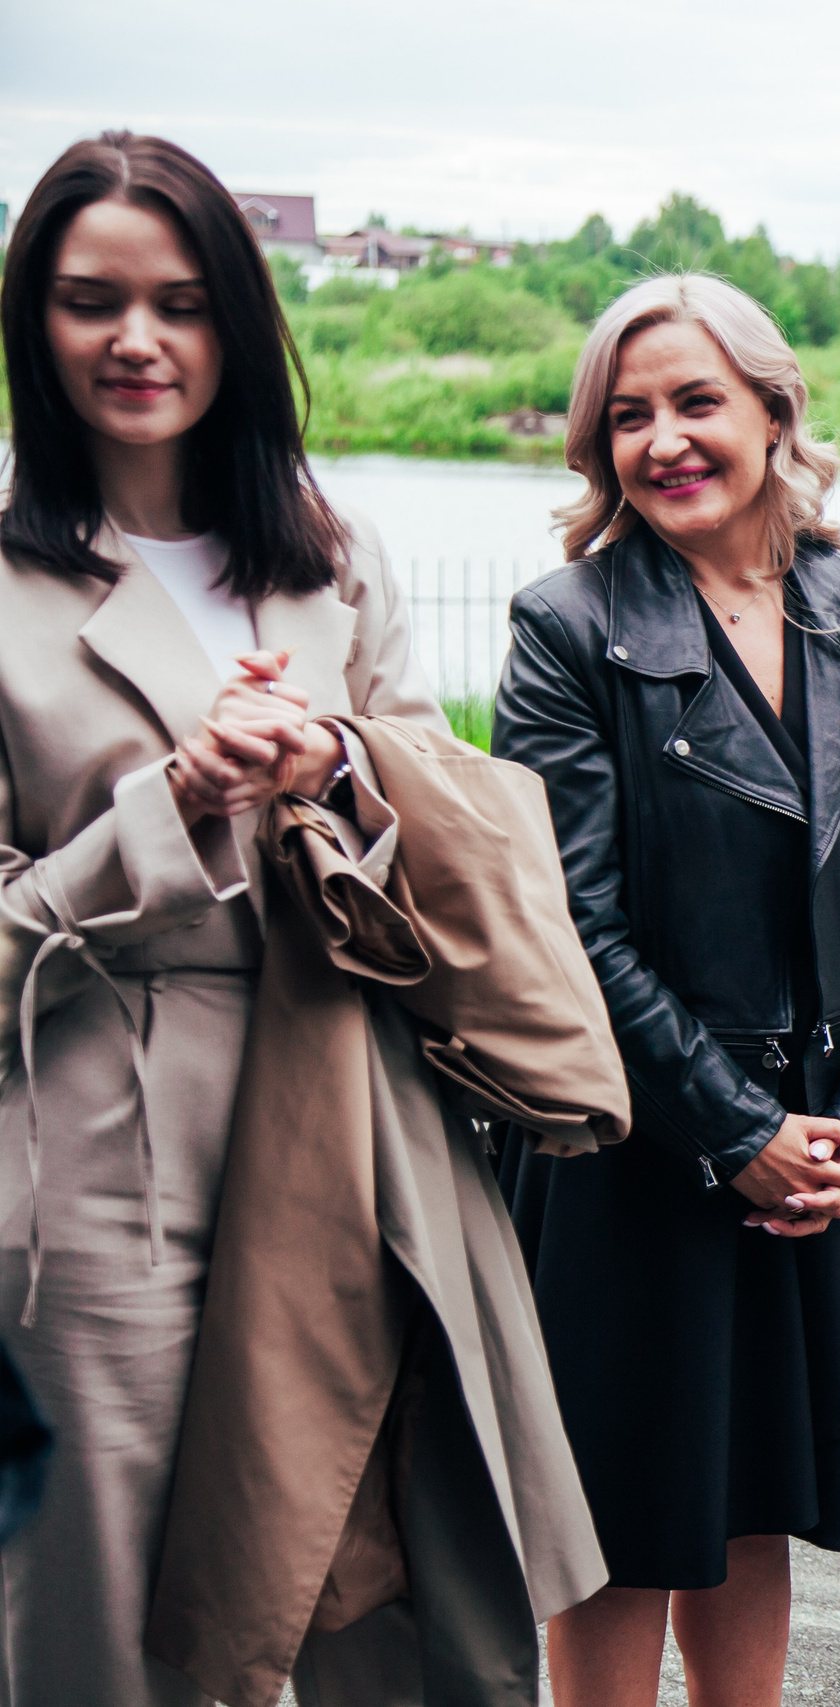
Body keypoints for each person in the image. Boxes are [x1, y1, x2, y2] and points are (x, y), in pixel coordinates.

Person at [0, 132, 451, 1705]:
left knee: (364, 1597)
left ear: (238, 326)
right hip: (98, 1163)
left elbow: (445, 841)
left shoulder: (332, 557)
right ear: (30, 320)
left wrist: (339, 770)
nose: (137, 339)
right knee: (103, 1624)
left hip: (339, 1126)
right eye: (89, 299)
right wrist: (176, 804)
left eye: (182, 301)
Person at [493, 273, 840, 1706]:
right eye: (628, 415)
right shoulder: (566, 624)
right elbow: (574, 920)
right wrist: (732, 1131)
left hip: (826, 1144)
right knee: (627, 1537)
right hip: (635, 1149)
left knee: (756, 1509)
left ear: (774, 410)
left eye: (697, 401)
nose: (665, 439)